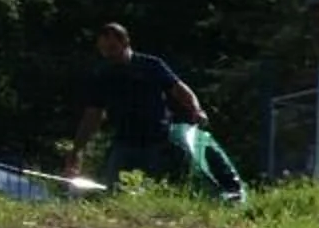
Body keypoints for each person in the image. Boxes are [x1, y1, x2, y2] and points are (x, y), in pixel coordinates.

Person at [71, 23, 235, 196]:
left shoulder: (150, 65)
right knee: (112, 189)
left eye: (112, 48)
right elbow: (93, 115)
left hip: (156, 140)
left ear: (125, 42)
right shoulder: (103, 75)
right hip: (124, 140)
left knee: (159, 188)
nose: (108, 54)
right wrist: (77, 149)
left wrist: (196, 109)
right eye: (103, 50)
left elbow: (179, 89)